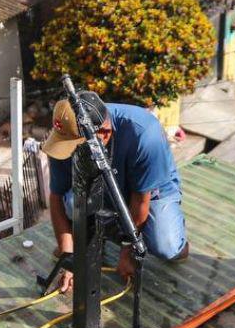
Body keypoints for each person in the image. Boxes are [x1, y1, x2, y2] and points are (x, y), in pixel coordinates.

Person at [43, 92, 188, 293]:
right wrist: (69, 259)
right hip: (103, 185)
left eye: (75, 146)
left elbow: (140, 203)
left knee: (166, 245)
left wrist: (128, 250)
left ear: (104, 134)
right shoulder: (67, 133)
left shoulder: (144, 133)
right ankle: (100, 234)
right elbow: (57, 197)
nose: (69, 152)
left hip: (149, 191)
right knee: (71, 202)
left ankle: (178, 240)